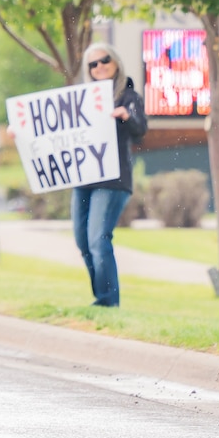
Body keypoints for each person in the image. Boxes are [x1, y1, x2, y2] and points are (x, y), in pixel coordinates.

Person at [72, 43, 148, 309]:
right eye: (93, 64)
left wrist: (126, 116)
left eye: (104, 60)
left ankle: (108, 302)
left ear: (115, 63)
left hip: (112, 180)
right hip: (83, 179)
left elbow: (141, 130)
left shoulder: (127, 96)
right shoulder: (81, 100)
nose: (99, 66)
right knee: (83, 241)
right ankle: (101, 296)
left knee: (98, 238)